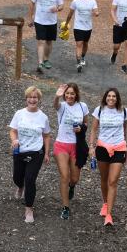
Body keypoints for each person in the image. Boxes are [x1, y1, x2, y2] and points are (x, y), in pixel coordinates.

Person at [9, 86, 51, 223]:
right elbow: (13, 130)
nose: (32, 100)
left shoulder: (43, 117)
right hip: (19, 151)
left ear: (38, 99)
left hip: (36, 152)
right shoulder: (19, 114)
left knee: (30, 180)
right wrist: (14, 139)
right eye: (30, 97)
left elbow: (46, 136)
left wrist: (46, 153)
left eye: (35, 97)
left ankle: (29, 209)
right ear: (26, 98)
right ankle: (20, 186)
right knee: (17, 177)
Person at [88, 88, 127, 226]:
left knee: (113, 181)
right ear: (105, 97)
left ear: (117, 98)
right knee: (104, 179)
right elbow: (94, 129)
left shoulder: (123, 111)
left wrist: (126, 148)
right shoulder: (99, 110)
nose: (111, 98)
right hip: (102, 147)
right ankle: (105, 203)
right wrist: (91, 147)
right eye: (109, 96)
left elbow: (124, 130)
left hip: (119, 148)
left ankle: (109, 215)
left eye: (114, 96)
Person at [52, 83, 89, 220]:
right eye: (67, 93)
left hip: (76, 145)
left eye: (72, 94)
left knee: (74, 179)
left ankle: (72, 187)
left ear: (76, 95)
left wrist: (81, 128)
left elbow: (86, 124)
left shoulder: (82, 106)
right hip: (61, 144)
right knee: (64, 176)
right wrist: (57, 96)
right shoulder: (62, 106)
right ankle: (65, 207)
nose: (69, 96)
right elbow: (55, 105)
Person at [28, 0, 64, 74]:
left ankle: (46, 59)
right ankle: (40, 63)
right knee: (41, 41)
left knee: (49, 41)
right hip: (39, 20)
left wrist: (57, 9)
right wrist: (30, 17)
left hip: (52, 21)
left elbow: (62, 5)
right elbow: (32, 3)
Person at [65, 0, 99, 73]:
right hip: (78, 27)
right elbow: (70, 14)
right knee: (79, 44)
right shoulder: (75, 1)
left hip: (88, 27)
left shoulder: (92, 1)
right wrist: (66, 24)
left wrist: (96, 13)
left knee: (85, 43)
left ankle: (83, 56)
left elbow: (96, 11)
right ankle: (79, 63)